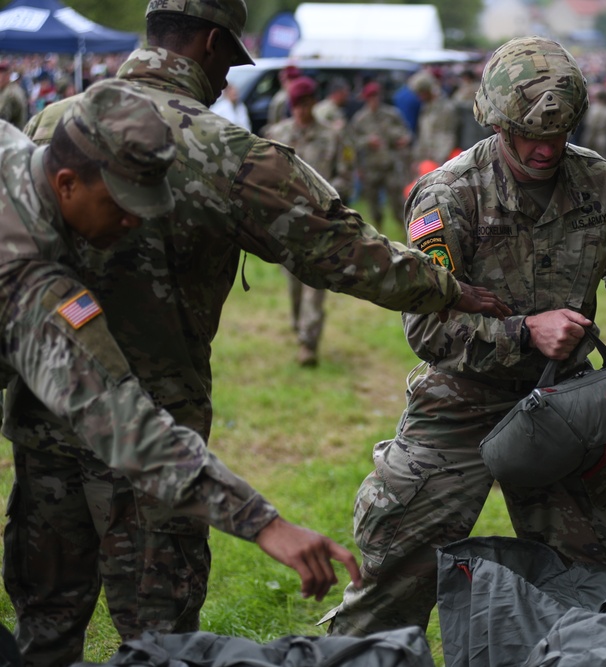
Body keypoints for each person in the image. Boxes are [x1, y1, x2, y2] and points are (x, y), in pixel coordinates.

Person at [15, 1, 511, 665]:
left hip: (45, 420)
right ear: (214, 43)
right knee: (161, 641)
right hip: (160, 434)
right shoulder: (228, 153)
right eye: (228, 63)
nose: (226, 83)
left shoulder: (52, 124)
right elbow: (345, 253)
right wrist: (448, 287)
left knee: (44, 622)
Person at [321, 35, 606, 638]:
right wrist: (523, 332)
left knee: (584, 574)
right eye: (529, 135)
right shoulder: (450, 194)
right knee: (395, 566)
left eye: (558, 134)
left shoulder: (599, 185)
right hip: (458, 404)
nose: (545, 149)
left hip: (562, 406)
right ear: (495, 121)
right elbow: (425, 324)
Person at [0, 77, 361, 664]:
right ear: (67, 184)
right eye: (120, 205)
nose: (133, 224)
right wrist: (266, 524)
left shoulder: (11, 149)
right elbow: (124, 418)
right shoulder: (29, 282)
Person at [264, 76, 351, 367]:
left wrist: (326, 196)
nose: (300, 110)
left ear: (314, 102)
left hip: (321, 223)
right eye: (295, 105)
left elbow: (345, 174)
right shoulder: (277, 135)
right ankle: (298, 324)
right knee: (294, 283)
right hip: (287, 224)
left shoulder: (332, 136)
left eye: (305, 103)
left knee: (316, 284)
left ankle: (308, 342)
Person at [348, 81, 413, 232]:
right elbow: (352, 143)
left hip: (390, 164)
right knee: (374, 204)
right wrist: (367, 142)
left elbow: (405, 132)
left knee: (398, 201)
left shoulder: (392, 114)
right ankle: (378, 230)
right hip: (371, 167)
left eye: (376, 97)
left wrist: (403, 139)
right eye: (370, 97)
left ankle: (405, 229)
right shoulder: (360, 119)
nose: (374, 101)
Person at [0, 61, 28, 129]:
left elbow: (2, 119)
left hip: (10, 137)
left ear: (6, 76)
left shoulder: (9, 94)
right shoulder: (13, 88)